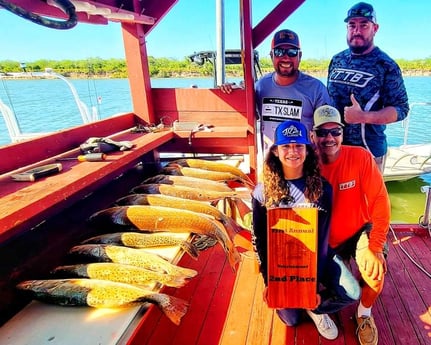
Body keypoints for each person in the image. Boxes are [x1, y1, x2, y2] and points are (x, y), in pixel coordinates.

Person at [252, 120, 360, 340]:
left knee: (352, 292)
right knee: (291, 320)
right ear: (275, 151)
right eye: (286, 146)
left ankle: (315, 309)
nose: (293, 151)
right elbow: (260, 241)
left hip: (316, 257)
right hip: (281, 263)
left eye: (299, 145)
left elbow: (322, 237)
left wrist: (313, 284)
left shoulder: (322, 188)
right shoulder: (262, 192)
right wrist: (269, 281)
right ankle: (298, 301)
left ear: (308, 150)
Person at [310, 105, 390, 345]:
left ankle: (364, 314)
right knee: (298, 300)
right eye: (322, 133)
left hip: (357, 232)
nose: (329, 138)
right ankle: (313, 307)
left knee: (375, 270)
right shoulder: (306, 162)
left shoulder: (361, 157)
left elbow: (379, 200)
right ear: (313, 135)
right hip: (322, 240)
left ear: (343, 133)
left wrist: (375, 246)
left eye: (335, 131)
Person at [327, 2, 409, 173]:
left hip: (368, 152)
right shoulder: (337, 60)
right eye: (352, 25)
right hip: (332, 148)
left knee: (367, 200)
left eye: (363, 25)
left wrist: (363, 116)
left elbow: (401, 109)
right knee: (332, 198)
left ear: (375, 28)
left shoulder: (386, 65)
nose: (357, 30)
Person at [220, 29, 331, 154]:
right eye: (279, 52)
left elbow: (327, 130)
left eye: (292, 52)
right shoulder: (261, 85)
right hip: (271, 163)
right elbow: (247, 111)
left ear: (300, 56)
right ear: (271, 55)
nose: (286, 57)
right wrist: (233, 91)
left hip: (303, 164)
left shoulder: (316, 89)